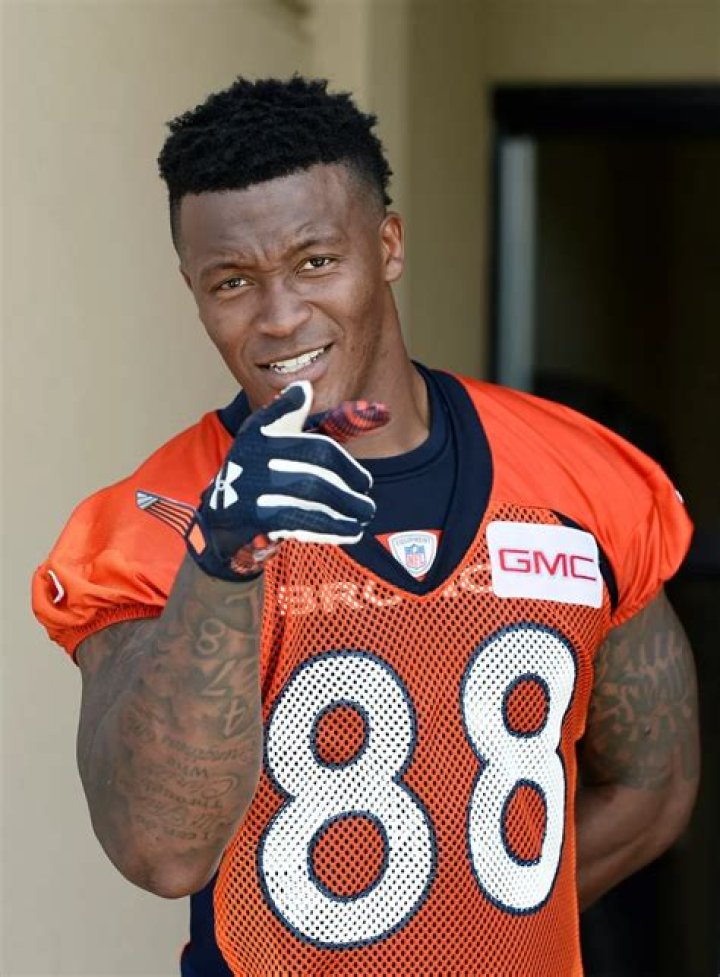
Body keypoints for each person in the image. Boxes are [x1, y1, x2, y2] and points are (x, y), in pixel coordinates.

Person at [32, 76, 700, 977]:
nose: (280, 318)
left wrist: (459, 944)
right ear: (193, 288)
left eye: (315, 262)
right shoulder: (155, 517)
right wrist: (221, 566)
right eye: (233, 282)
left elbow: (655, 784)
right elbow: (161, 851)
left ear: (387, 245)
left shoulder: (581, 478)